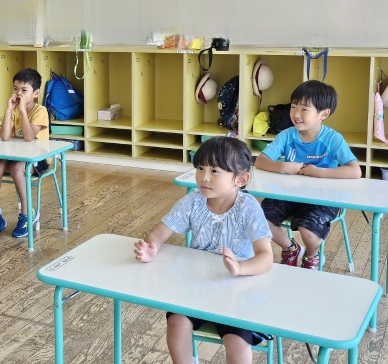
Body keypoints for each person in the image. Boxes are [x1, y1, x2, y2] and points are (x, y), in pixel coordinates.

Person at [134, 137, 273, 364]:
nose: (204, 177)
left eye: (215, 171)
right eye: (200, 168)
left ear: (241, 179)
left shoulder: (248, 208)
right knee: (176, 322)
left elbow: (266, 257)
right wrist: (152, 248)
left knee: (237, 341)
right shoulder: (193, 202)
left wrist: (240, 268)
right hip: (197, 285)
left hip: (237, 291)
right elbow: (157, 234)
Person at [255, 80, 361, 269]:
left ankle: (312, 255)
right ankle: (291, 248)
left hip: (322, 198)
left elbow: (355, 170)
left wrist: (319, 172)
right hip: (288, 194)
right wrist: (283, 167)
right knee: (259, 219)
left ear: (324, 114)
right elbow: (260, 161)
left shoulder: (332, 139)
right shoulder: (286, 135)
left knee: (308, 231)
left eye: (304, 109)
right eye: (293, 106)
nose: (296, 114)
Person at [0, 68, 49, 238]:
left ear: (36, 93)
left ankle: (27, 214)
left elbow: (28, 137)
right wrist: (8, 110)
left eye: (24, 90)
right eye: (15, 89)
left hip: (38, 158)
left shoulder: (40, 111)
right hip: (15, 155)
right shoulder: (12, 110)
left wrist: (22, 111)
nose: (18, 93)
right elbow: (5, 136)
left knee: (16, 169)